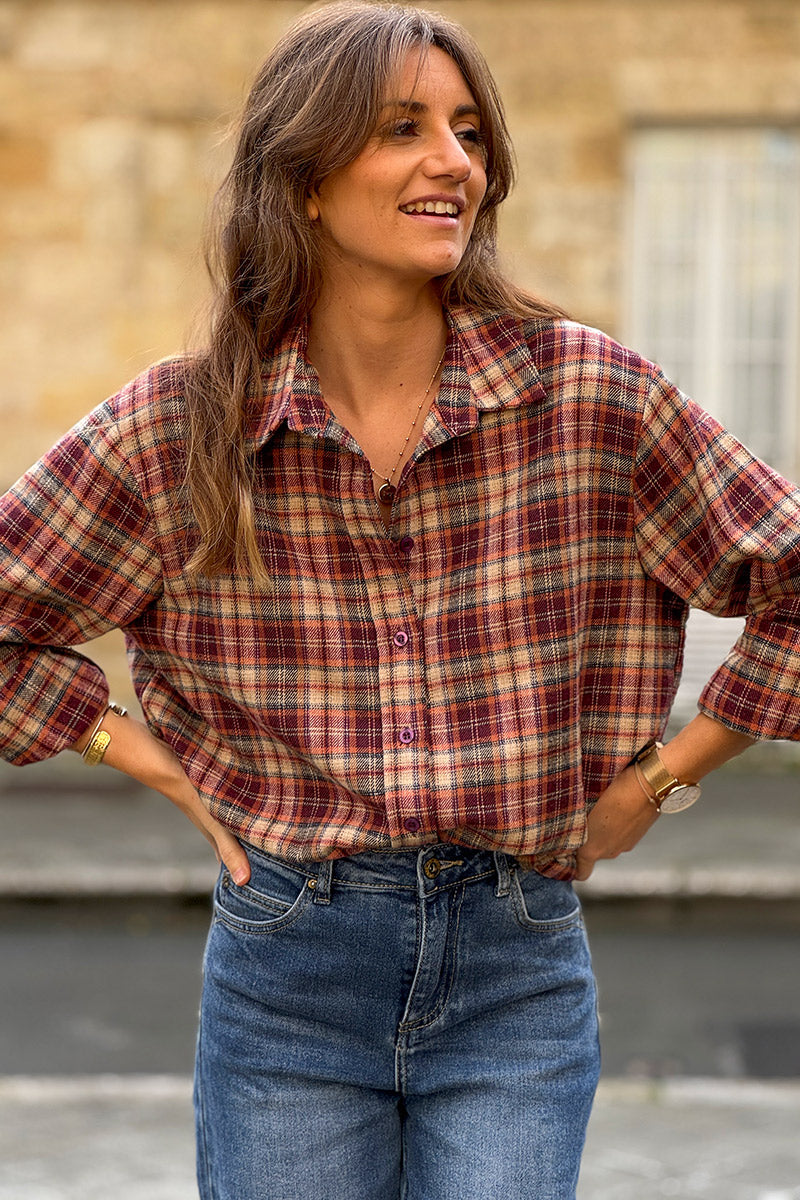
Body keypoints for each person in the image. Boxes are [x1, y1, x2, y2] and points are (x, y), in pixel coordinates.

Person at [1, 2, 799, 1196]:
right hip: (288, 973)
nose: (452, 163)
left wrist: (659, 781)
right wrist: (141, 755)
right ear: (305, 181)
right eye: (403, 128)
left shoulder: (589, 398)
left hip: (514, 967)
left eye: (469, 132)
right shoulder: (179, 429)